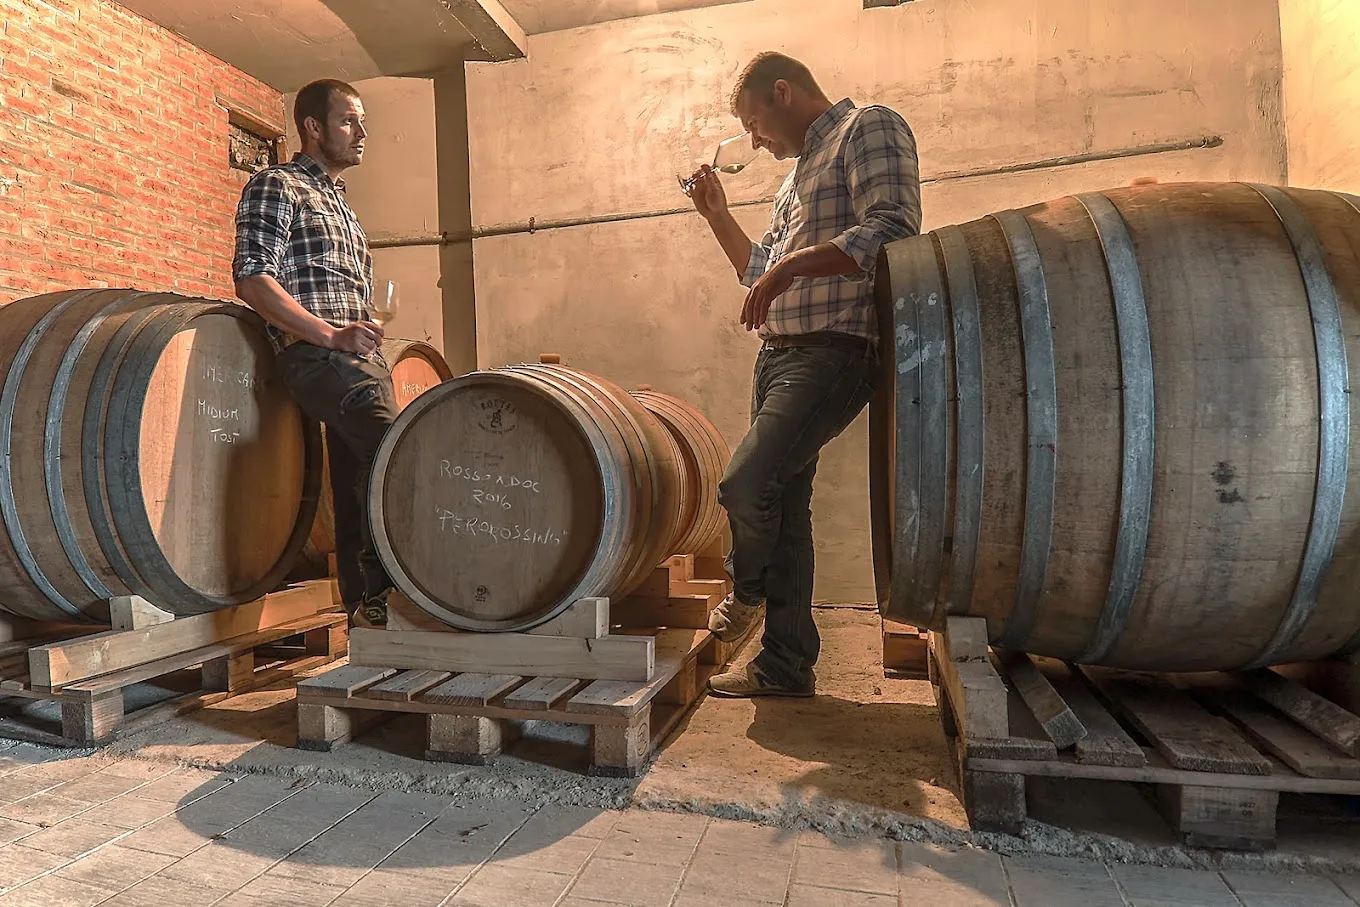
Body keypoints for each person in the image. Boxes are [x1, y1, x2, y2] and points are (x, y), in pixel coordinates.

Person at [689, 52, 922, 697]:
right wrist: (716, 213)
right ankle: (785, 667)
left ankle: (746, 589)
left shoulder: (868, 128)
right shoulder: (796, 180)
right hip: (779, 354)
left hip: (834, 349)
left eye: (752, 120)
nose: (753, 138)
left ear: (783, 92)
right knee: (785, 509)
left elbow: (893, 232)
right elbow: (758, 266)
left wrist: (787, 272)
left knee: (745, 484)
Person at [232, 78, 397, 629]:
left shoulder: (341, 205)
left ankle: (371, 611)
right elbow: (253, 279)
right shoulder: (278, 186)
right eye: (350, 120)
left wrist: (364, 327)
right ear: (313, 127)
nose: (362, 132)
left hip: (361, 360)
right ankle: (426, 592)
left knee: (358, 482)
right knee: (401, 454)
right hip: (316, 356)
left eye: (362, 121)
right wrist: (330, 336)